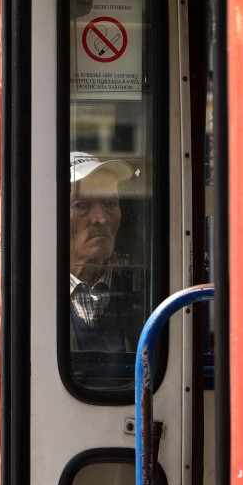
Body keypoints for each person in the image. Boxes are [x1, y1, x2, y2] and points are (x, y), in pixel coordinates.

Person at [68, 151, 139, 353]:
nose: (102, 218)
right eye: (81, 205)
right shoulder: (33, 295)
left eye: (110, 204)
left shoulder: (140, 294)